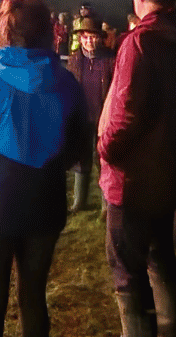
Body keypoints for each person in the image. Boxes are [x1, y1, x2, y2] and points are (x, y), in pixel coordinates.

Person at [0, 0, 88, 337]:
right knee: (34, 300)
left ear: (4, 29)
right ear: (48, 30)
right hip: (46, 200)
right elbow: (81, 144)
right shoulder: (69, 83)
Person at [98, 0, 176, 337]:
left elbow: (126, 112)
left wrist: (106, 148)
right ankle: (168, 330)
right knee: (160, 255)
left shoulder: (140, 41)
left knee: (125, 266)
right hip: (168, 170)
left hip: (133, 177)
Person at [65, 16, 115, 212]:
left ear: (99, 38)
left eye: (92, 37)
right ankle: (80, 201)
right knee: (81, 158)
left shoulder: (110, 59)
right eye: (85, 37)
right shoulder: (75, 59)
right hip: (81, 118)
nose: (89, 41)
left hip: (104, 118)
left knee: (104, 159)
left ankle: (106, 205)